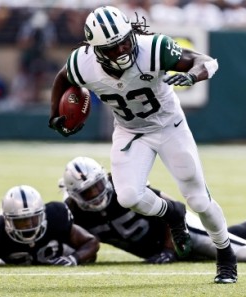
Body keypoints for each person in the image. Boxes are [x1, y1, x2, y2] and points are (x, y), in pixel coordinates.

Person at [49, 6, 236, 283]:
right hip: (130, 131)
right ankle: (172, 213)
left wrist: (191, 76)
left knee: (198, 199)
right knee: (128, 197)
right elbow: (62, 78)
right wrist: (56, 114)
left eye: (124, 40)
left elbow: (208, 62)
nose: (121, 49)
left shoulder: (154, 48)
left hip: (169, 126)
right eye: (111, 48)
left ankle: (225, 254)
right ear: (96, 49)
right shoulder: (82, 63)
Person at [59, 156, 246, 264]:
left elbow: (174, 210)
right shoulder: (73, 212)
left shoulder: (124, 188)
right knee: (221, 238)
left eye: (97, 186)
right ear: (74, 193)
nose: (96, 194)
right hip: (159, 249)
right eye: (87, 191)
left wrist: (169, 249)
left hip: (181, 232)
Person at [0, 185, 99, 266]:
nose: (28, 225)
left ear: (43, 214)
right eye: (21, 221)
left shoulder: (55, 216)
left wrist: (74, 258)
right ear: (6, 220)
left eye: (33, 218)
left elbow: (91, 242)